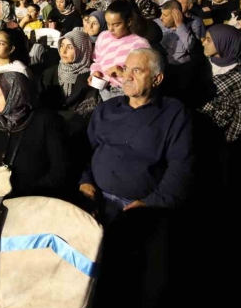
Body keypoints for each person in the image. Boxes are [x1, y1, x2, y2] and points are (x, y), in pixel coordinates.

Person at [79, 49, 194, 223]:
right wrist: (85, 182)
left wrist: (150, 204)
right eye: (125, 69)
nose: (127, 76)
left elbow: (181, 168)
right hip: (96, 198)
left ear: (157, 79)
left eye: (137, 71)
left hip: (140, 208)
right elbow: (85, 152)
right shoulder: (106, 109)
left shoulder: (174, 114)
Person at [0, 72, 72, 199]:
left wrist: (26, 193)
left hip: (28, 200)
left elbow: (59, 171)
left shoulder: (46, 122)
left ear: (15, 93)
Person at [89, 0, 151, 100]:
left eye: (116, 25)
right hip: (102, 90)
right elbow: (97, 61)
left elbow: (145, 77)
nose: (111, 29)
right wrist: (95, 72)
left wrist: (124, 73)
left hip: (124, 93)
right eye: (108, 24)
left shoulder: (140, 44)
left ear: (129, 22)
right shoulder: (103, 37)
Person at [200, 25, 241, 143]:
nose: (203, 43)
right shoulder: (204, 62)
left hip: (215, 130)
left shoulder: (238, 78)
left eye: (209, 40)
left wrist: (228, 140)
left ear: (225, 43)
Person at [38, 28, 98, 121]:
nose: (63, 51)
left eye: (70, 47)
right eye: (61, 45)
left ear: (82, 50)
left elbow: (88, 111)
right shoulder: (49, 74)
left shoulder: (89, 77)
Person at [155, 0, 197, 65]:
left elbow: (192, 47)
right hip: (161, 65)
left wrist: (180, 26)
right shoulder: (156, 24)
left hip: (181, 68)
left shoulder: (192, 25)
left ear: (176, 15)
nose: (161, 17)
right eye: (161, 14)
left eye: (165, 15)